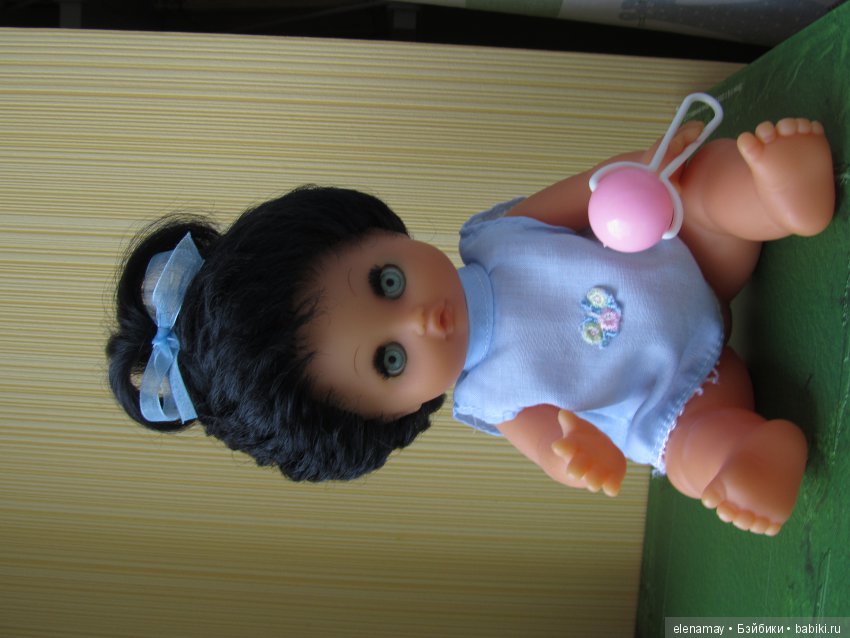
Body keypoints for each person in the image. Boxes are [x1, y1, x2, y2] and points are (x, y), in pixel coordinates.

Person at [107, 113, 835, 536]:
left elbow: (590, 193)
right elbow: (551, 448)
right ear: (389, 418)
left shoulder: (496, 237)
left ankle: (776, 196)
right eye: (391, 361)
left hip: (691, 257)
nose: (419, 320)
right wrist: (580, 456)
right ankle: (752, 454)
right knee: (694, 459)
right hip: (679, 399)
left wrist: (643, 173)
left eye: (386, 282)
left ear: (373, 230)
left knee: (703, 188)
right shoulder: (488, 396)